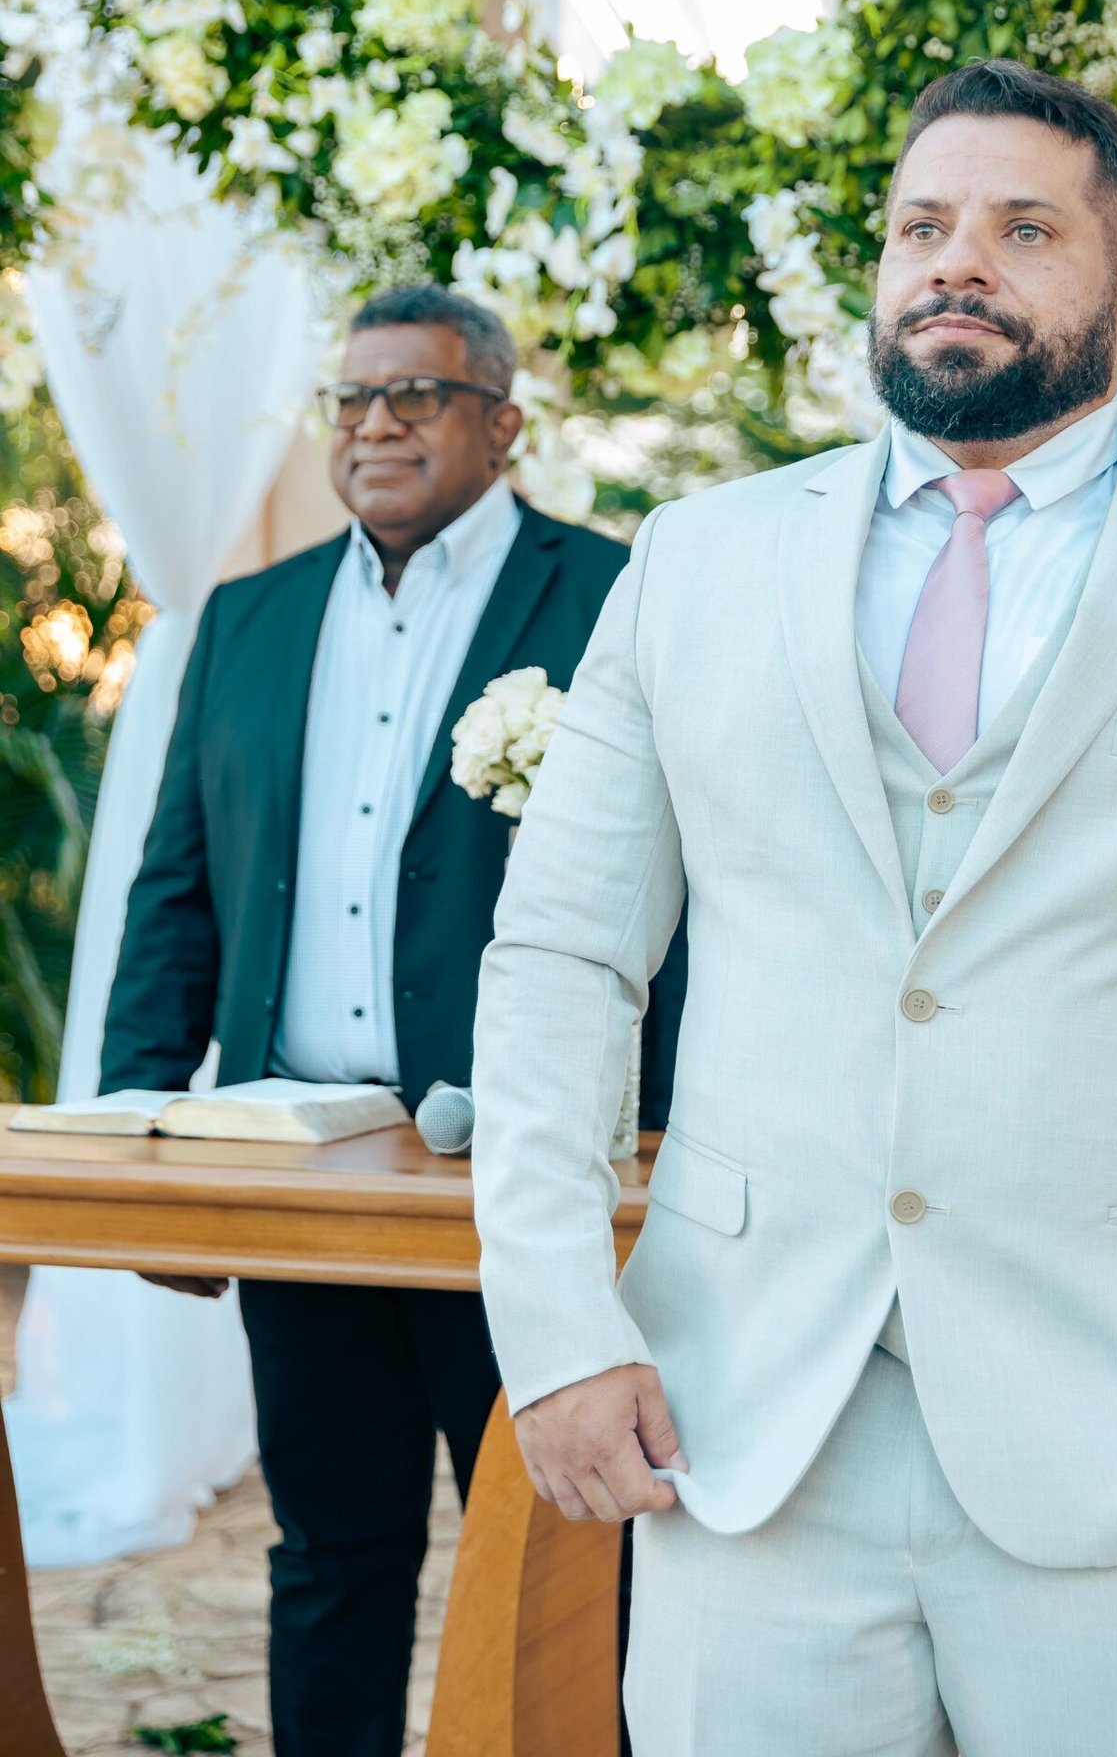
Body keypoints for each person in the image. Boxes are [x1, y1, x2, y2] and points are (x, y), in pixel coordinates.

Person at [471, 60, 1117, 1757]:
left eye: (1023, 229)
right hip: (744, 1431)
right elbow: (561, 960)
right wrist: (554, 1329)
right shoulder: (696, 559)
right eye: (922, 226)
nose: (957, 261)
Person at [99, 281, 685, 1757]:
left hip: (533, 1175)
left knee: (571, 1563)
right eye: (351, 399)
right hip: (300, 1178)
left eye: (414, 395)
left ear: (504, 422)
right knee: (328, 1551)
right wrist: (137, 1136)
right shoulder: (247, 618)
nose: (374, 425)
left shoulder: (616, 596)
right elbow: (177, 890)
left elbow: (697, 894)